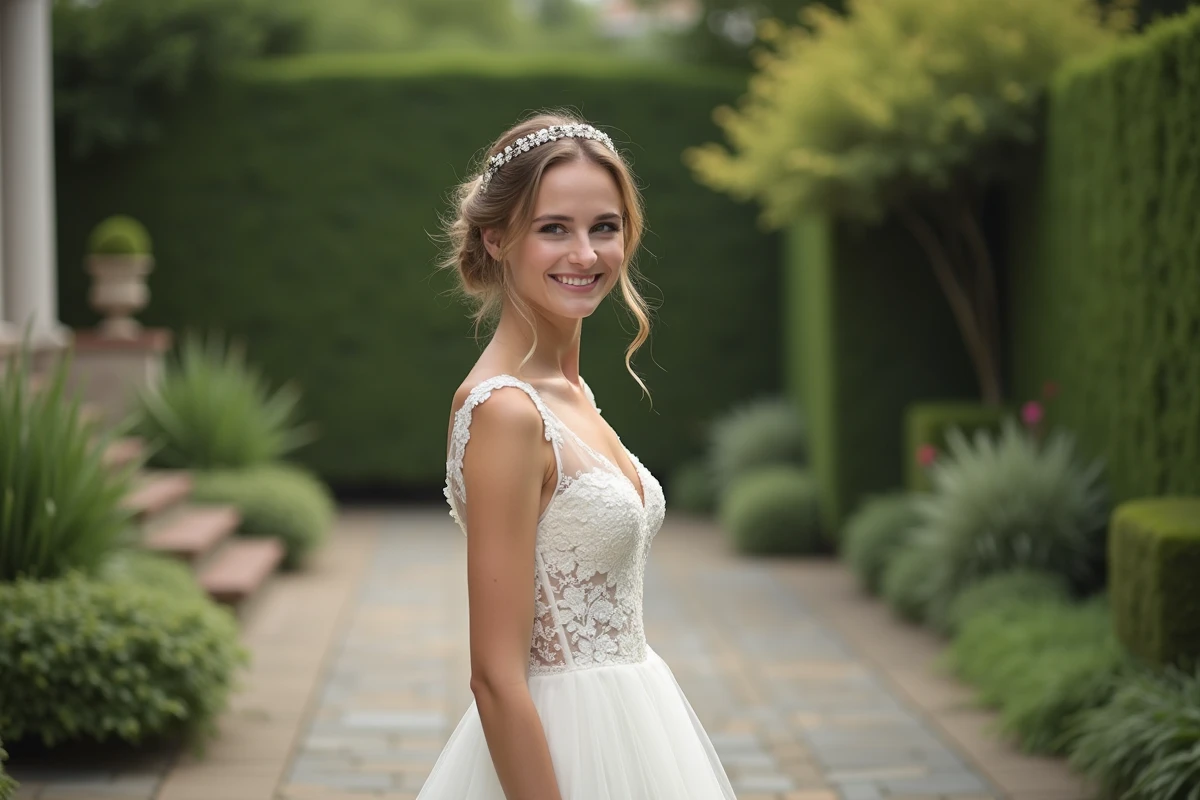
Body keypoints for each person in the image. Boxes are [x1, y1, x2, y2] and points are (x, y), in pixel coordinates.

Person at [420, 110, 737, 800]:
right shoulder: (506, 412)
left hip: (637, 720)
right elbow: (494, 677)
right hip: (562, 747)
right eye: (554, 228)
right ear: (497, 238)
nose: (586, 255)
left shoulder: (571, 392)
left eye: (605, 227)